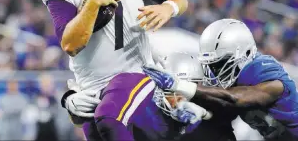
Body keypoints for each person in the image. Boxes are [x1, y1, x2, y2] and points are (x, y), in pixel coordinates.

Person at [36, 0, 188, 140]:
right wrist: (93, 2)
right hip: (92, 86)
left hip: (136, 72)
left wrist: (168, 8)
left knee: (111, 118)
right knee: (100, 129)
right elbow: (70, 44)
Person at [143, 19, 298, 141]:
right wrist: (189, 109)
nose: (213, 72)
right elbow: (219, 108)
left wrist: (181, 86)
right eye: (210, 65)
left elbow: (236, 98)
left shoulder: (264, 74)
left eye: (218, 65)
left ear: (244, 54)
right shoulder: (233, 79)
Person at [62, 52, 235, 141]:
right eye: (176, 93)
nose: (182, 100)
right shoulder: (146, 110)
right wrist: (71, 100)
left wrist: (199, 121)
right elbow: (92, 119)